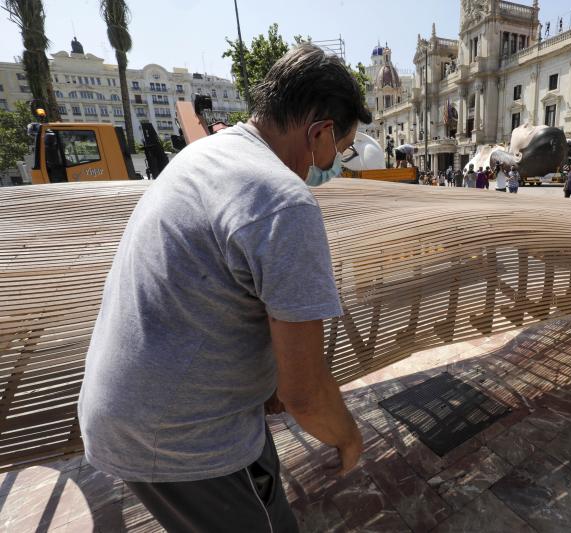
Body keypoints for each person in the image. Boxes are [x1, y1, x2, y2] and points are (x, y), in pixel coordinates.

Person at [77, 44, 368, 532]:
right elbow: (305, 394)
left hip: (128, 413)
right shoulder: (284, 200)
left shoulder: (204, 155)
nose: (335, 164)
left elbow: (216, 298)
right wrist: (349, 438)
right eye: (340, 151)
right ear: (318, 133)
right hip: (181, 435)